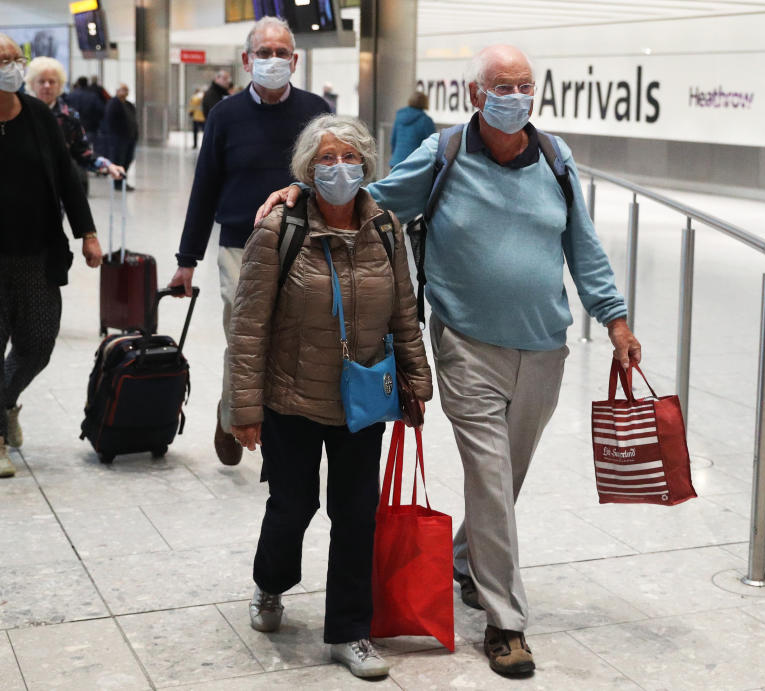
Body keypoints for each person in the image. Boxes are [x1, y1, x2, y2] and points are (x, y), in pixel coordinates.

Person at [255, 44, 642, 676]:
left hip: (545, 347)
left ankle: (466, 559)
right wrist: (300, 192)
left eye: (525, 86)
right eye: (502, 86)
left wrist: (617, 321)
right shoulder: (446, 153)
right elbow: (366, 200)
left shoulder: (554, 158)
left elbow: (584, 246)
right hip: (466, 345)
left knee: (505, 479)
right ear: (475, 95)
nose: (516, 97)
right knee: (490, 477)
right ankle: (505, 622)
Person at [230, 114, 431, 679]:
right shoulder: (280, 229)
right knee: (292, 505)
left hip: (363, 400)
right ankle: (270, 584)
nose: (338, 168)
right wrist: (243, 409)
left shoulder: (385, 228)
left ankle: (350, 631)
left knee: (356, 515)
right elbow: (249, 327)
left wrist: (417, 381)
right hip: (291, 399)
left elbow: (404, 313)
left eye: (348, 157)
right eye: (326, 158)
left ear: (365, 164)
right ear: (307, 169)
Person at [168, 16, 331, 467]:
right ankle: (231, 412)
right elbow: (204, 190)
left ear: (295, 60)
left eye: (281, 53)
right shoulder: (224, 115)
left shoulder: (317, 112)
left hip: (304, 244)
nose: (273, 60)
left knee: (293, 339)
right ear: (246, 60)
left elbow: (331, 177)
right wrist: (187, 259)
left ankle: (281, 426)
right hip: (241, 244)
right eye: (264, 52)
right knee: (243, 337)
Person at [0, 34, 103, 478]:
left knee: (38, 344)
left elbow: (66, 177)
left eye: (13, 58)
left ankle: (5, 402)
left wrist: (87, 233)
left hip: (38, 253)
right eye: (1, 60)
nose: (10, 66)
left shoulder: (40, 116)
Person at [25, 56, 125, 195]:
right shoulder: (20, 113)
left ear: (59, 85)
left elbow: (83, 153)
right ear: (32, 84)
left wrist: (108, 166)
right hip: (22, 189)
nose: (47, 86)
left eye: (52, 81)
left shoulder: (69, 117)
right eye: (41, 81)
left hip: (55, 191)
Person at [101, 84, 138, 191]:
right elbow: (109, 121)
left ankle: (122, 181)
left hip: (130, 138)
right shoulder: (113, 104)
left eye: (126, 90)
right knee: (119, 160)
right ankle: (118, 183)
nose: (125, 92)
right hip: (118, 139)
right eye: (123, 90)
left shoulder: (129, 105)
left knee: (128, 159)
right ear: (117, 91)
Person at [389, 90, 435, 168]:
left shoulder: (399, 117)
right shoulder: (425, 120)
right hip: (414, 164)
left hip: (396, 163)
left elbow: (393, 140)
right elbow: (432, 144)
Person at [63, 75, 104, 142]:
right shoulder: (93, 96)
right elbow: (101, 110)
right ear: (87, 83)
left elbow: (64, 110)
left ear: (78, 83)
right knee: (88, 148)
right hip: (90, 127)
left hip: (73, 127)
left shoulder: (71, 95)